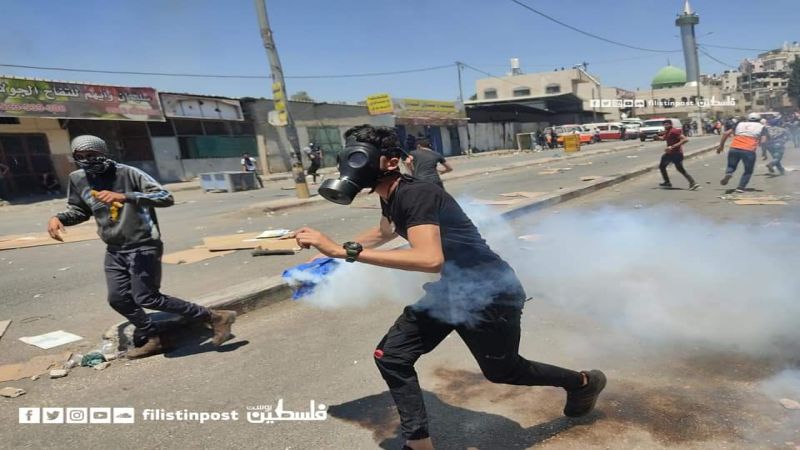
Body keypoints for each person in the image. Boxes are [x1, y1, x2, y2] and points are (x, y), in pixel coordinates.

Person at [302, 125, 606, 450]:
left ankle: (583, 382)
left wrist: (341, 252)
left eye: (358, 158)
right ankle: (419, 445)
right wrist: (326, 256)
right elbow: (384, 232)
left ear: (389, 163)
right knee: (391, 356)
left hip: (490, 293)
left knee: (504, 371)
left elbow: (429, 259)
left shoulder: (416, 194)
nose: (350, 167)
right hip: (453, 290)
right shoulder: (391, 196)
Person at [48, 135, 237, 358]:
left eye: (92, 155)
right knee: (118, 299)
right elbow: (79, 210)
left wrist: (125, 196)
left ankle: (215, 317)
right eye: (80, 157)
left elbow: (165, 197)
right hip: (115, 248)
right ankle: (155, 338)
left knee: (147, 297)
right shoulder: (79, 178)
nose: (87, 161)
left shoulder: (128, 173)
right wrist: (59, 218)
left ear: (104, 153)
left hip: (143, 244)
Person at [717, 113, 768, 193]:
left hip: (734, 148)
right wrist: (764, 152)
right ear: (759, 120)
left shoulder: (740, 124)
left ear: (748, 119)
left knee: (731, 165)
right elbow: (764, 141)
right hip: (749, 150)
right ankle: (740, 187)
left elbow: (726, 133)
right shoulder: (762, 127)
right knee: (748, 170)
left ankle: (729, 173)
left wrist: (721, 146)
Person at [655, 120, 699, 190]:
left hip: (677, 153)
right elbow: (664, 138)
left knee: (680, 169)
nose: (666, 126)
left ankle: (693, 183)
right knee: (662, 166)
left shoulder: (674, 131)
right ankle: (667, 182)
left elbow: (685, 139)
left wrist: (673, 146)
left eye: (667, 124)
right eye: (664, 124)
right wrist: (657, 137)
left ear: (671, 124)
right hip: (669, 154)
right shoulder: (668, 131)